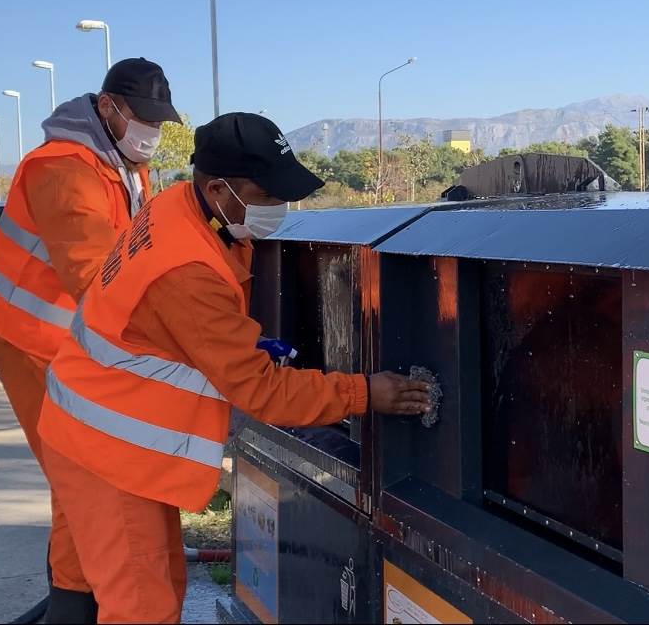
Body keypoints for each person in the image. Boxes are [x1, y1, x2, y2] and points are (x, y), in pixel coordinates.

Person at [36, 112, 432, 623]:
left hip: (81, 425)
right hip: (111, 452)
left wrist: (234, 343)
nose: (279, 208)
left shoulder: (178, 206)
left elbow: (174, 329)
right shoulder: (186, 268)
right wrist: (364, 394)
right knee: (143, 605)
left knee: (83, 584)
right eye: (267, 196)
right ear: (221, 189)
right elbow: (262, 394)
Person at [0, 58, 182, 622]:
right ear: (109, 107)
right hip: (31, 339)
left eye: (160, 122)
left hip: (77, 341)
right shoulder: (64, 168)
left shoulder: (126, 164)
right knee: (84, 475)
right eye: (143, 118)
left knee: (81, 476)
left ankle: (72, 597)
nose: (152, 132)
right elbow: (95, 273)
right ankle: (75, 597)